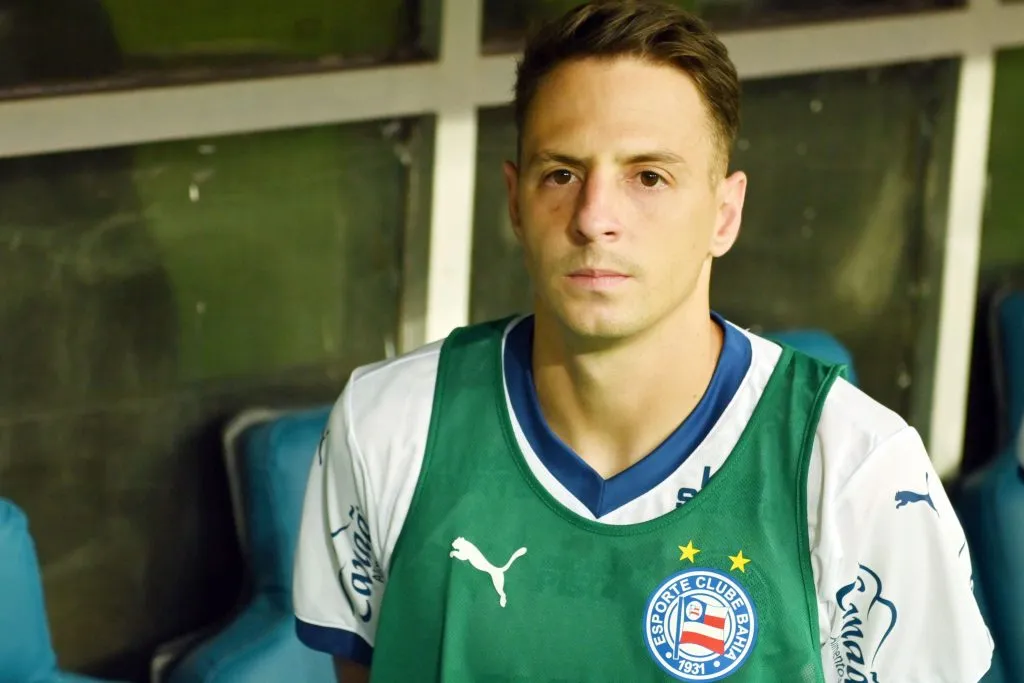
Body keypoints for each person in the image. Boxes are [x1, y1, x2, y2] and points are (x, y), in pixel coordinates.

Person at [292, 1, 994, 681]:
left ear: (725, 213)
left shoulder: (856, 471)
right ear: (514, 200)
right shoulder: (385, 425)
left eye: (649, 176)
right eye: (561, 173)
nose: (595, 217)